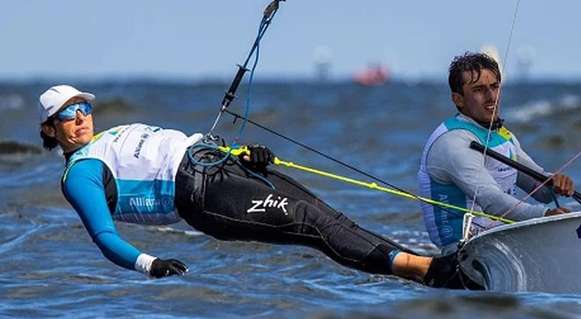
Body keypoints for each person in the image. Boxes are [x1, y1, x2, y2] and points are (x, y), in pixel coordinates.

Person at [39, 84, 468, 286]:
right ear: (50, 128)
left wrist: (240, 153)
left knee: (323, 211)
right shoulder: (81, 172)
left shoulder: (110, 136)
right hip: (201, 195)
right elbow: (103, 236)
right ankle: (428, 272)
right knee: (308, 223)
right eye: (67, 113)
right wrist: (149, 264)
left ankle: (419, 262)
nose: (80, 116)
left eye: (82, 107)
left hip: (217, 163)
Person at [418, 52, 576, 253]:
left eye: (494, 87)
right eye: (479, 90)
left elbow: (541, 190)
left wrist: (555, 183)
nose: (491, 97)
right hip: (462, 250)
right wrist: (546, 216)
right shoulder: (453, 142)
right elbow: (492, 201)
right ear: (458, 99)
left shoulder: (502, 136)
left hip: (500, 238)